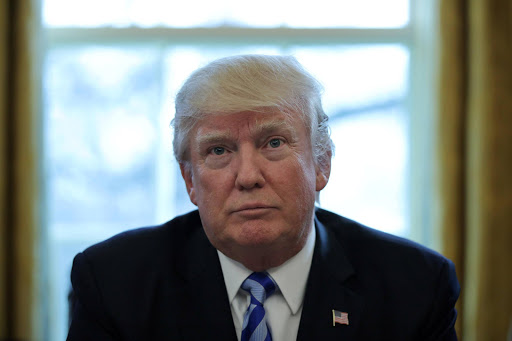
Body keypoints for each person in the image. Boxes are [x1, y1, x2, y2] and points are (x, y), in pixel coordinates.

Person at [67, 55, 460, 341]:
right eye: (218, 151)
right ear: (189, 180)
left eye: (273, 143)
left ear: (321, 163)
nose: (248, 177)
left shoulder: (415, 285)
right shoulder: (114, 283)